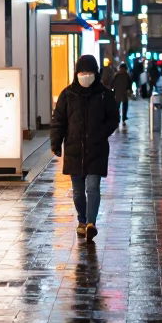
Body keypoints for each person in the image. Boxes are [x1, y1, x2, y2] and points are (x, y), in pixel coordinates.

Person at [50, 54, 119, 242]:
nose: (85, 75)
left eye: (89, 72)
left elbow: (114, 118)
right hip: (73, 149)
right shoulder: (67, 94)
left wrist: (101, 132)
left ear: (96, 73)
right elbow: (59, 121)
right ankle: (81, 220)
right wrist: (55, 143)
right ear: (76, 73)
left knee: (93, 187)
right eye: (82, 72)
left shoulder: (105, 94)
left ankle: (91, 223)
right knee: (78, 191)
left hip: (96, 149)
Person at [112, 62, 132, 126]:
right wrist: (129, 90)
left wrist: (113, 90)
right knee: (125, 105)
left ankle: (117, 118)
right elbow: (129, 84)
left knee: (117, 106)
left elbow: (112, 83)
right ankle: (124, 118)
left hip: (117, 93)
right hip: (124, 93)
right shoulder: (127, 75)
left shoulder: (116, 75)